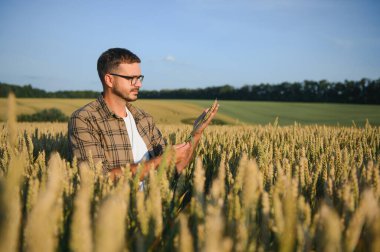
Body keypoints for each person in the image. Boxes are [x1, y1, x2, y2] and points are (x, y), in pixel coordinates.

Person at [68, 48, 218, 180]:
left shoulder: (144, 119)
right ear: (109, 79)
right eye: (131, 78)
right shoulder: (85, 119)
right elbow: (97, 178)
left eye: (139, 78)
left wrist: (196, 134)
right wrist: (163, 160)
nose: (139, 84)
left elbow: (175, 169)